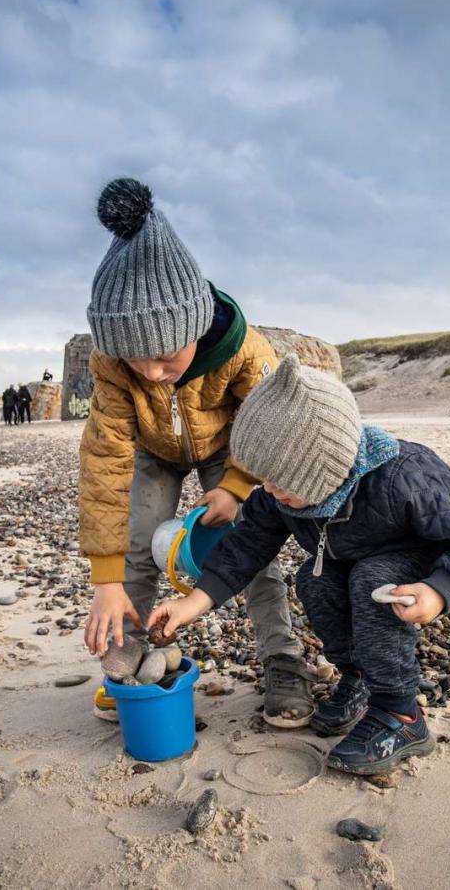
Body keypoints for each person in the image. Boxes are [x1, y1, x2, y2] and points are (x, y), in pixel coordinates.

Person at [148, 356, 450, 775]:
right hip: (344, 559)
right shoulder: (281, 492)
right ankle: (358, 676)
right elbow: (247, 545)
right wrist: (195, 601)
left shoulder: (405, 476)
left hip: (412, 566)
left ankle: (401, 713)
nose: (271, 493)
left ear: (324, 471)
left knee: (371, 583)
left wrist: (440, 590)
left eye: (282, 483)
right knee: (313, 582)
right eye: (265, 481)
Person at [78, 177, 311, 728]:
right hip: (153, 451)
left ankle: (283, 661)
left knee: (249, 552)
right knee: (137, 549)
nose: (151, 375)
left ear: (194, 324)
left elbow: (269, 425)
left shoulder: (244, 352)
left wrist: (233, 487)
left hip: (231, 449)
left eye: (162, 357)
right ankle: (131, 665)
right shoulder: (111, 366)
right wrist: (104, 580)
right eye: (134, 361)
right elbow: (105, 461)